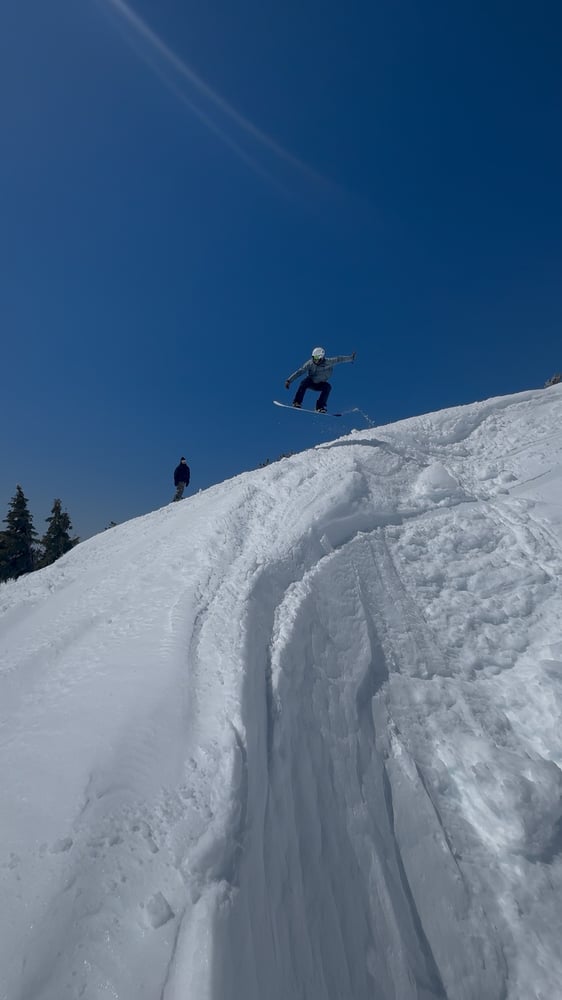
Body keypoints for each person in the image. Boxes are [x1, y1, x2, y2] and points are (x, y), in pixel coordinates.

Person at [284, 347, 356, 412]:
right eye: (313, 358)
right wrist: (289, 380)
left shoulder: (329, 362)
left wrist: (351, 358)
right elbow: (300, 371)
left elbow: (340, 359)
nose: (314, 360)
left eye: (316, 358)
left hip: (320, 384)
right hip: (311, 382)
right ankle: (297, 402)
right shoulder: (310, 363)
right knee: (304, 382)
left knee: (327, 387)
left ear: (321, 357)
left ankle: (320, 407)